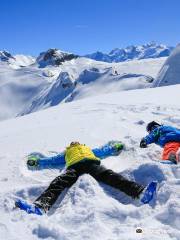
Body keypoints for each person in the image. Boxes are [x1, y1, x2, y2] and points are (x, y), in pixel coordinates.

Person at [16, 142, 157, 215]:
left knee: (111, 176)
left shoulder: (88, 149)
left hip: (91, 164)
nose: (75, 143)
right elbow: (52, 160)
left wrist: (114, 147)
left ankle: (141, 193)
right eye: (72, 143)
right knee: (58, 182)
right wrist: (38, 162)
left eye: (76, 142)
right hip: (74, 167)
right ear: (69, 146)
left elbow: (103, 151)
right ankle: (40, 207)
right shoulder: (66, 153)